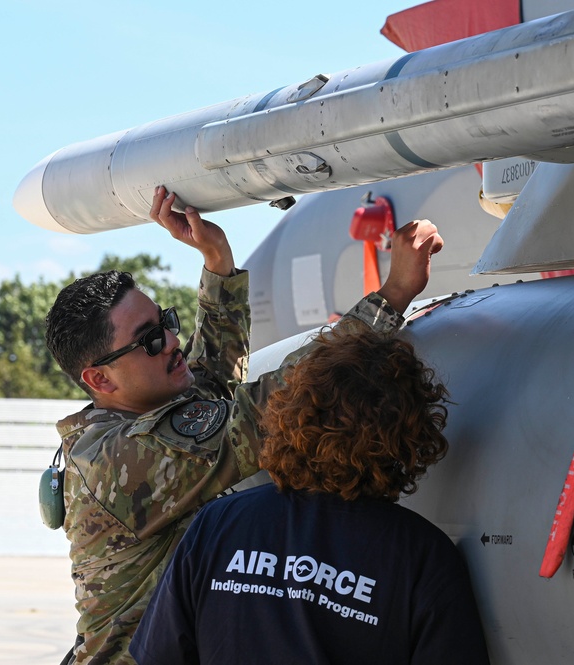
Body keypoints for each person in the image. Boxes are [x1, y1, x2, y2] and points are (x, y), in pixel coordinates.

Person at [44, 185, 443, 665]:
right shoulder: (118, 460)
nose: (172, 341)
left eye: (165, 322)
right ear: (98, 379)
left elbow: (208, 379)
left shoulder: (142, 414)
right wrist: (392, 296)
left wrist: (217, 261)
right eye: (149, 340)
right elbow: (266, 409)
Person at [129, 326, 491, 664]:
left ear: (291, 414)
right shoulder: (425, 557)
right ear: (409, 439)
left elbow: (159, 655)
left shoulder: (217, 524)